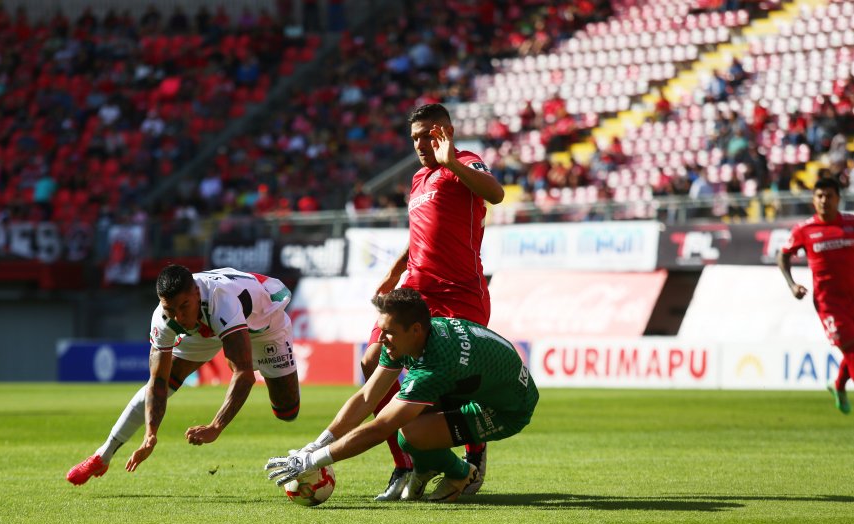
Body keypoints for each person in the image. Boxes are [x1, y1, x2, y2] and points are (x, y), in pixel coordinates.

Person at [266, 289, 539, 503]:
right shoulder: (409, 339)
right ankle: (426, 467)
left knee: (408, 434)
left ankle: (460, 474)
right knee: (410, 422)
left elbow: (381, 426)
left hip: (508, 408)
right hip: (479, 385)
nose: (382, 339)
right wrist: (316, 445)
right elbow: (366, 398)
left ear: (416, 330)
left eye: (389, 333)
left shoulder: (435, 365)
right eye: (381, 330)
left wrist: (312, 461)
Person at [364, 103, 505, 501]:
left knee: (456, 380)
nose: (421, 144)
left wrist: (452, 164)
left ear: (446, 132)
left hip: (460, 291)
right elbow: (420, 234)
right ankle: (406, 467)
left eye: (428, 135)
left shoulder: (466, 162)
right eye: (415, 138)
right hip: (416, 289)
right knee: (372, 361)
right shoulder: (418, 179)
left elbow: (496, 193)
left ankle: (473, 459)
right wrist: (395, 272)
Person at [66, 265, 301, 484]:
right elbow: (157, 382)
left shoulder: (222, 300)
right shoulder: (163, 318)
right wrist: (150, 434)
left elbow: (244, 374)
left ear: (197, 294)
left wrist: (216, 426)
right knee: (164, 381)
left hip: (263, 325)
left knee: (287, 411)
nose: (178, 317)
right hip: (203, 330)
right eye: (170, 309)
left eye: (183, 307)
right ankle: (102, 455)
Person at [777, 176, 854, 414]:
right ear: (813, 200)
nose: (824, 201)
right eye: (819, 196)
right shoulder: (805, 230)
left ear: (838, 199)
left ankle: (838, 385)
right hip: (829, 303)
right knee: (850, 345)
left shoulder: (851, 224)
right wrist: (792, 285)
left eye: (829, 196)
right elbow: (783, 255)